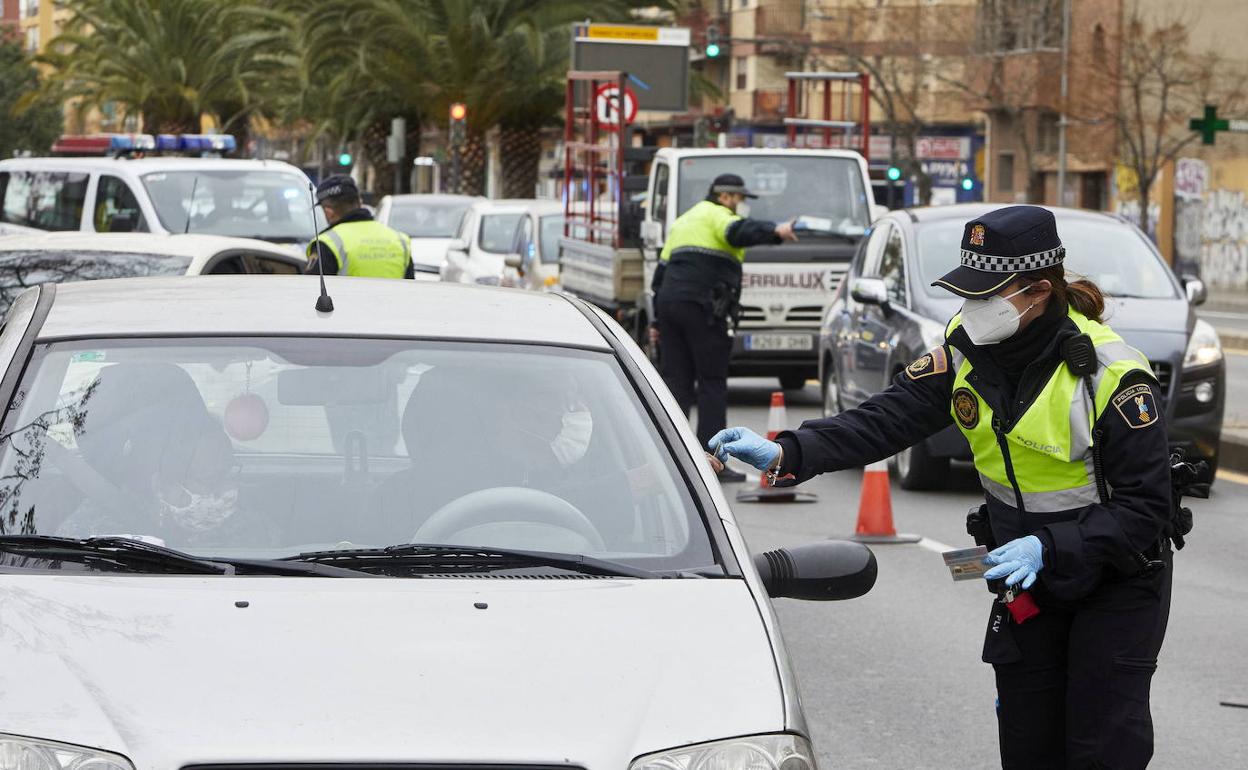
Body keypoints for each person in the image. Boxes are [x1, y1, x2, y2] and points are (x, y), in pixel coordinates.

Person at [709, 206, 1176, 769]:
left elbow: (1146, 510)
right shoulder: (964, 348)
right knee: (1029, 746)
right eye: (969, 293)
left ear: (1038, 292)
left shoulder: (1112, 375)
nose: (972, 307)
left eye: (987, 295)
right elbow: (886, 419)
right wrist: (789, 451)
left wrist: (1050, 547)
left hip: (1115, 580)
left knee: (1100, 749)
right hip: (1024, 578)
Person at [652, 173, 798, 483]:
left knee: (678, 384)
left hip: (669, 306)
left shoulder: (684, 220)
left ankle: (669, 458)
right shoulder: (718, 215)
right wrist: (776, 231)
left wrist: (655, 322)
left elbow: (659, 274)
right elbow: (738, 232)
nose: (739, 206)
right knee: (712, 382)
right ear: (726, 196)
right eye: (738, 199)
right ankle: (712, 460)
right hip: (705, 309)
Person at [305, 174, 414, 279]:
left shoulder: (328, 243)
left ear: (328, 212)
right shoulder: (400, 241)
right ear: (360, 202)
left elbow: (311, 290)